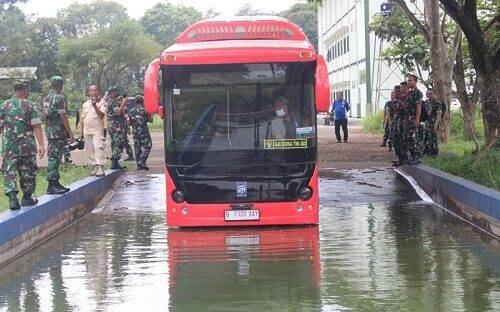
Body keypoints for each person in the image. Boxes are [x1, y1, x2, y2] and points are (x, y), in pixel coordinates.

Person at [0, 79, 45, 209]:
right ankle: (27, 197)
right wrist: (41, 145)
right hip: (27, 148)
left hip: (9, 148)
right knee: (28, 172)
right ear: (25, 90)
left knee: (10, 172)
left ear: (14, 90)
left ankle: (13, 199)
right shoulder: (30, 105)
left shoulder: (4, 105)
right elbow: (36, 126)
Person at [43, 76, 74, 194]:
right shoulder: (60, 98)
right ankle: (52, 185)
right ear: (61, 86)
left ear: (51, 85)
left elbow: (45, 115)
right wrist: (70, 132)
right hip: (58, 132)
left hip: (50, 130)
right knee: (54, 158)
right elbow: (63, 116)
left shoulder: (46, 98)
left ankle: (55, 182)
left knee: (53, 157)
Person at [81, 85, 107, 176]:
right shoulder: (85, 104)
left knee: (98, 147)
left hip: (97, 130)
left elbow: (102, 115)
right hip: (87, 130)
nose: (94, 92)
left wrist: (94, 105)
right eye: (91, 90)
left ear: (98, 92)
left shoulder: (102, 103)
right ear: (89, 92)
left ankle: (101, 167)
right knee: (89, 149)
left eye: (95, 90)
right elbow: (83, 118)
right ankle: (95, 166)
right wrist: (81, 131)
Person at [126, 95, 152, 170]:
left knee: (137, 147)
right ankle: (142, 161)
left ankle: (138, 165)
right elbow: (151, 120)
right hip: (143, 130)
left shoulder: (131, 111)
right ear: (143, 101)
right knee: (148, 145)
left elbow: (129, 122)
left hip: (135, 131)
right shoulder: (145, 109)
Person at [106, 86, 127, 170]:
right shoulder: (113, 102)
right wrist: (123, 103)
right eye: (114, 91)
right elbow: (118, 113)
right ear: (111, 93)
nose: (116, 92)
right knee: (118, 142)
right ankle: (115, 161)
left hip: (113, 125)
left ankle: (115, 162)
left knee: (115, 143)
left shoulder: (111, 101)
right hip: (116, 125)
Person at [422, 89, 443, 156]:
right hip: (426, 123)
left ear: (434, 94)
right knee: (426, 138)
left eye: (431, 93)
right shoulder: (427, 102)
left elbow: (439, 114)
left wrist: (436, 125)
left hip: (433, 123)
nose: (429, 95)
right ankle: (426, 153)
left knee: (433, 139)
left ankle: (434, 154)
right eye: (428, 93)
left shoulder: (437, 102)